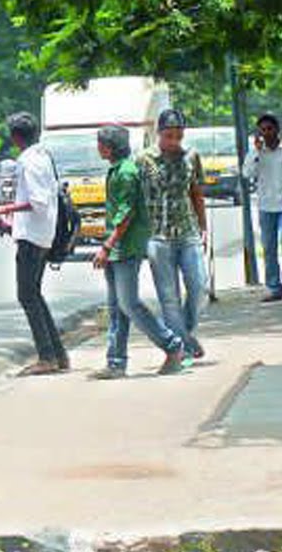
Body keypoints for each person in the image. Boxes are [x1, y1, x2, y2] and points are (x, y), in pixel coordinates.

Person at [91, 125, 188, 379]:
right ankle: (115, 362)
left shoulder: (126, 173)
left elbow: (127, 213)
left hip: (126, 247)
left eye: (100, 143)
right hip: (118, 247)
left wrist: (107, 245)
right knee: (116, 307)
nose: (98, 148)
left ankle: (172, 345)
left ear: (109, 147)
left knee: (129, 303)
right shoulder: (117, 170)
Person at [0, 112, 69, 375]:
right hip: (42, 234)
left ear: (15, 137)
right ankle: (58, 354)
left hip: (33, 237)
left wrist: (6, 209)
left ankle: (47, 356)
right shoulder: (43, 155)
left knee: (27, 296)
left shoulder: (27, 161)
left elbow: (37, 202)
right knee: (34, 294)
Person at [136, 109, 209, 358]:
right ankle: (184, 348)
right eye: (169, 136)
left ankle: (183, 334)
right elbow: (135, 199)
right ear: (159, 134)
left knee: (199, 287)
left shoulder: (191, 156)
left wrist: (204, 226)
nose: (174, 141)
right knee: (169, 297)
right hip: (157, 237)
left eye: (178, 136)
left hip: (187, 233)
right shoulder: (144, 160)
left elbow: (196, 193)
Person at [244, 112, 282, 302]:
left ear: (277, 130)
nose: (267, 133)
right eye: (263, 130)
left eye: (270, 129)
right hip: (267, 206)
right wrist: (256, 152)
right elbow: (247, 173)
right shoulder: (256, 153)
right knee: (269, 247)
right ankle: (275, 287)